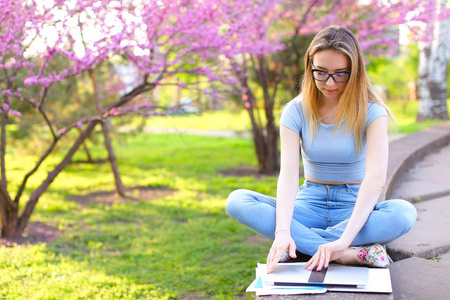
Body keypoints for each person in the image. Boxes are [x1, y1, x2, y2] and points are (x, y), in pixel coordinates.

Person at [226, 25, 417, 274]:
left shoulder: (372, 112)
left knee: (404, 214)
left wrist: (344, 238)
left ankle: (310, 244)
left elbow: (376, 179)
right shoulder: (295, 111)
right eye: (321, 72)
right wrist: (283, 231)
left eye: (341, 74)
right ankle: (346, 255)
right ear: (310, 68)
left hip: (353, 207)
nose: (330, 83)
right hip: (308, 205)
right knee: (237, 200)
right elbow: (288, 176)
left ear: (355, 71)